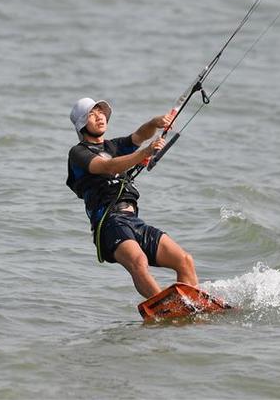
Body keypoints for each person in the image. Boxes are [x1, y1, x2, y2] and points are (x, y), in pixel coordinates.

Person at [66, 97, 198, 299]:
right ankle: (165, 308)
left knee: (185, 260)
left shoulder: (114, 146)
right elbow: (107, 167)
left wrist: (155, 122)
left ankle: (191, 306)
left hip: (133, 221)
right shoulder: (78, 153)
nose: (99, 116)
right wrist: (145, 152)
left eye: (101, 112)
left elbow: (138, 136)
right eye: (91, 114)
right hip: (108, 223)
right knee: (138, 261)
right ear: (82, 124)